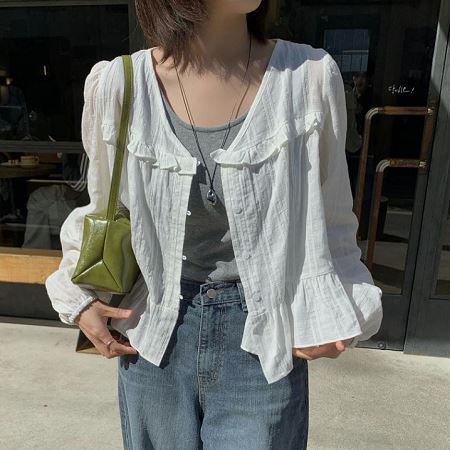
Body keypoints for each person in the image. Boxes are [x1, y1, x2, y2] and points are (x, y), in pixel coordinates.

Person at [45, 1, 384, 449]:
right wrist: (80, 298)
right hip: (153, 330)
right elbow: (103, 205)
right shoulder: (120, 84)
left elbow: (333, 217)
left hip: (262, 336)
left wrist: (339, 309)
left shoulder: (307, 77)